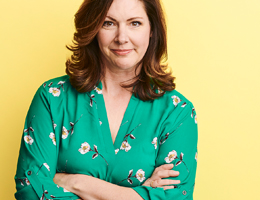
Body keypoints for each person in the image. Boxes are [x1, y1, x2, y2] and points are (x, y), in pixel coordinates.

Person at [14, 0, 198, 199]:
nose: (122, 38)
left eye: (135, 23)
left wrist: (76, 182)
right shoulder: (52, 98)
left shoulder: (177, 112)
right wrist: (138, 195)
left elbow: (177, 197)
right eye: (108, 23)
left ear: (152, 30)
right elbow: (30, 191)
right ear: (93, 28)